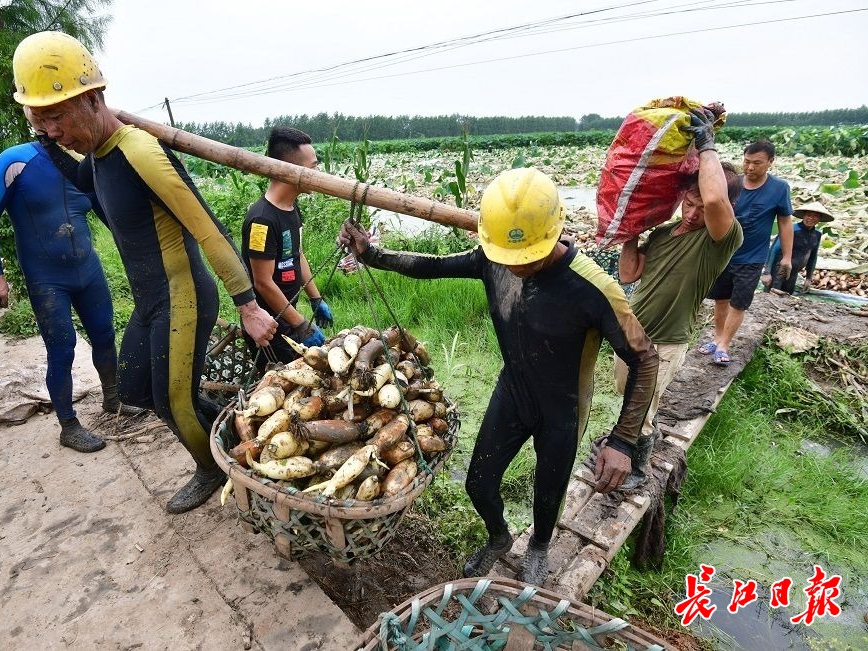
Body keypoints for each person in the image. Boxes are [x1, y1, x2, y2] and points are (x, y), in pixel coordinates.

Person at [338, 167, 658, 587]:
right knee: (478, 483)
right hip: (514, 391)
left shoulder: (594, 288)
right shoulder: (495, 257)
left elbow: (645, 358)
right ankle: (499, 536)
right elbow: (432, 267)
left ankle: (540, 546)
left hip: (563, 405)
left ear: (553, 232)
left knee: (548, 490)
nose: (518, 267)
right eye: (509, 259)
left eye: (528, 258)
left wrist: (622, 440)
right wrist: (373, 255)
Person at [11, 31, 276, 513]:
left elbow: (208, 228)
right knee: (137, 390)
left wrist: (249, 304)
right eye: (41, 122)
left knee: (175, 402)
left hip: (183, 295)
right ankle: (241, 441)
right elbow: (83, 180)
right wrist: (48, 140)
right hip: (152, 300)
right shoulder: (99, 155)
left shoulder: (141, 152)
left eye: (56, 118)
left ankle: (214, 469)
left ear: (92, 99)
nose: (53, 131)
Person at [0, 114, 145, 454]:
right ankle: (68, 425)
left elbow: (108, 215)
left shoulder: (84, 164)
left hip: (88, 269)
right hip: (47, 278)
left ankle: (113, 398)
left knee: (105, 334)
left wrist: (139, 256)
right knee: (62, 349)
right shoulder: (15, 162)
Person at [616, 107, 743, 487]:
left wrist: (706, 144)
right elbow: (628, 274)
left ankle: (637, 465)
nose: (693, 214)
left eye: (703, 209)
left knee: (645, 406)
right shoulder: (662, 235)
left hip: (667, 341)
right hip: (633, 331)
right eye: (690, 203)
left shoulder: (719, 240)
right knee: (627, 393)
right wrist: (631, 230)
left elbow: (717, 201)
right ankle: (625, 440)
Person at [242, 126, 333, 370]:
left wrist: (315, 298)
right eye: (313, 167)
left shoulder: (292, 209)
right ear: (293, 170)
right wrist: (301, 324)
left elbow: (297, 254)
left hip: (288, 315)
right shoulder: (262, 220)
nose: (318, 173)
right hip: (269, 326)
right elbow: (263, 283)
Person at [702, 139, 792, 366]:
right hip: (724, 254)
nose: (750, 168)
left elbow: (784, 222)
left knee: (739, 302)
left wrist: (787, 257)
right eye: (747, 162)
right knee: (721, 299)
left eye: (757, 163)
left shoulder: (779, 189)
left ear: (770, 162)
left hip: (752, 257)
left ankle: (724, 345)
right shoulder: (732, 183)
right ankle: (717, 338)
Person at [762, 201, 834, 295]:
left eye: (815, 216)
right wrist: (767, 273)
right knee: (771, 295)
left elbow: (813, 256)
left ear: (819, 219)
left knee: (787, 297)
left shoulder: (817, 234)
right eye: (809, 215)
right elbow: (774, 249)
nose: (811, 219)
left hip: (794, 272)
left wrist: (808, 278)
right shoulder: (792, 229)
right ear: (804, 215)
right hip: (779, 269)